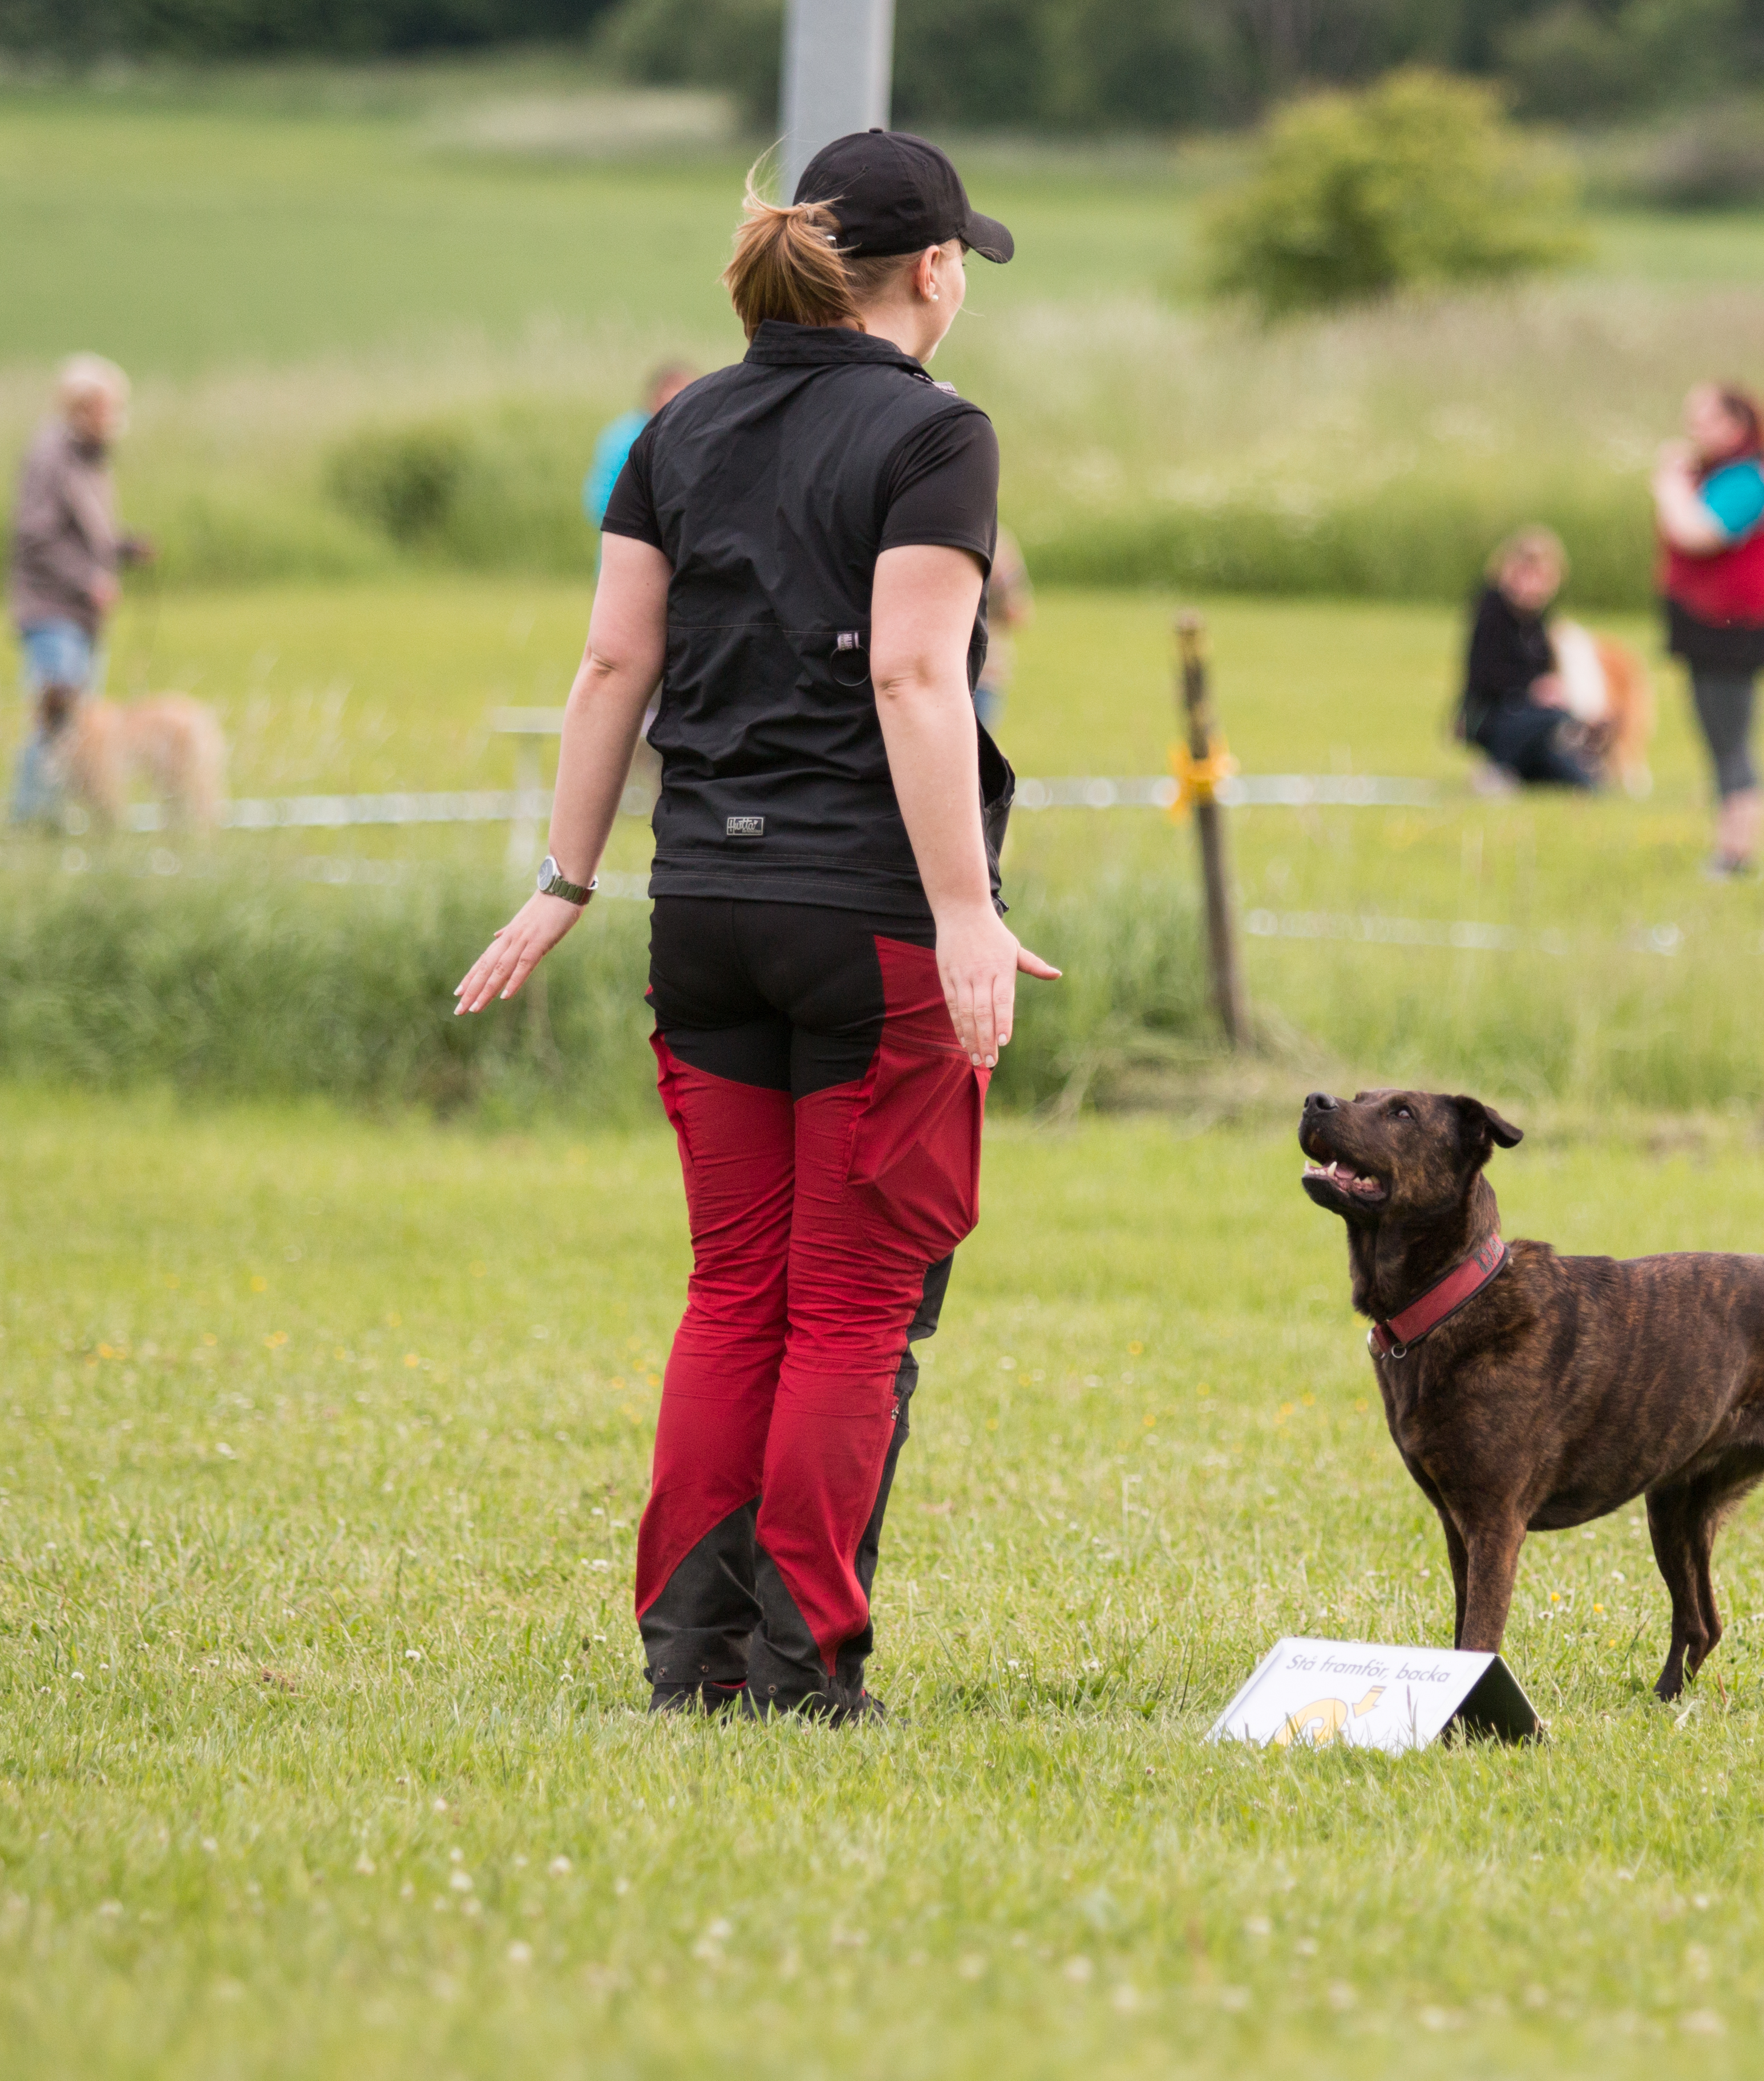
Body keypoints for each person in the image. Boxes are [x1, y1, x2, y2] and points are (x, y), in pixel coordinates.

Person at [455, 129, 1055, 1722]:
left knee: (736, 1294)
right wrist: (966, 913)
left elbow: (609, 670)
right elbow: (918, 676)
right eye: (959, 263)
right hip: (866, 925)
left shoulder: (680, 426)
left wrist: (566, 877)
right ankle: (804, 1671)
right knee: (853, 1312)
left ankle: (694, 1664)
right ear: (934, 272)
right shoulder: (938, 440)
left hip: (701, 911)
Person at [1651, 381, 1764, 878]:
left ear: (1736, 426)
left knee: (1732, 738)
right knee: (1717, 736)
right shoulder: (1721, 474)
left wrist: (1668, 484)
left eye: (1703, 421)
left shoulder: (1749, 480)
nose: (1693, 431)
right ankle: (1729, 847)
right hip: (1708, 626)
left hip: (1736, 630)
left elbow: (1696, 534)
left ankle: (1738, 854)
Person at [6, 354, 153, 828]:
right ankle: (31, 819)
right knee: (57, 720)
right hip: (52, 610)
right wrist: (87, 580)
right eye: (107, 408)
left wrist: (123, 549)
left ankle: (63, 815)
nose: (115, 419)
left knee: (81, 725)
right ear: (82, 407)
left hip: (80, 612)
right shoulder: (51, 456)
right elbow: (36, 537)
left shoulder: (89, 455)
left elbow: (83, 532)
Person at [1455, 526, 1595, 792]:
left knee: (1583, 782)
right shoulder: (1491, 609)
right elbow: (1484, 674)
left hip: (1533, 717)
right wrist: (1532, 689)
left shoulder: (1540, 620)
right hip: (1494, 713)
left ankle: (1517, 768)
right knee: (1553, 717)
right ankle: (1498, 768)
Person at [584, 361, 694, 527]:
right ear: (654, 398)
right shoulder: (625, 439)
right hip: (629, 541)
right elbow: (601, 501)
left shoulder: (694, 436)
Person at [971, 525, 1031, 730]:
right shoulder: (997, 540)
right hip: (987, 669)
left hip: (934, 670)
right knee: (980, 753)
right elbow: (1018, 612)